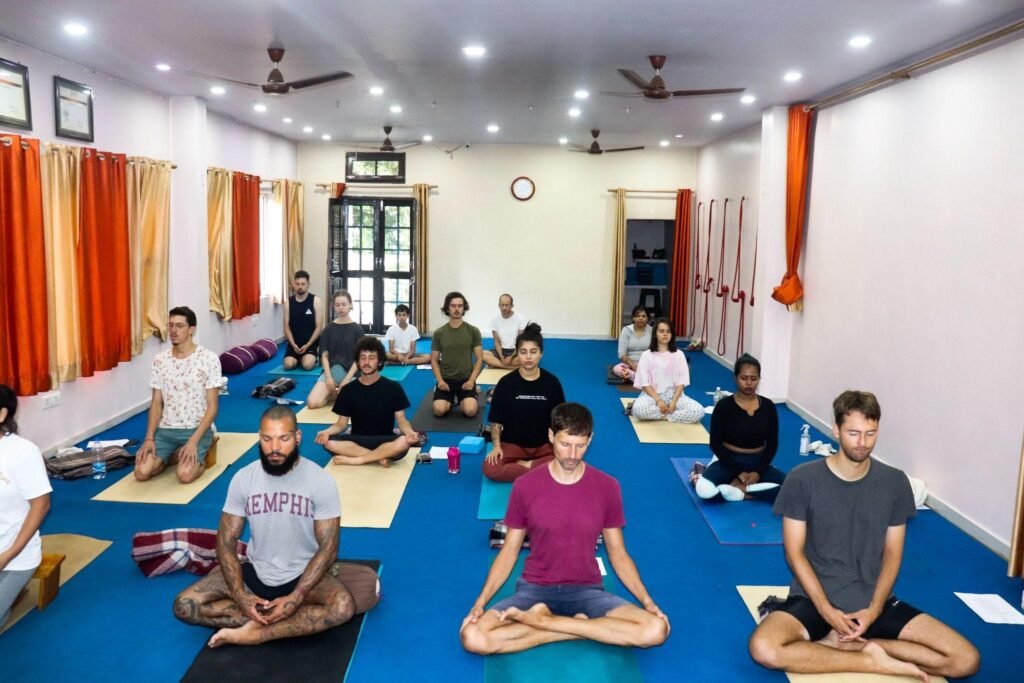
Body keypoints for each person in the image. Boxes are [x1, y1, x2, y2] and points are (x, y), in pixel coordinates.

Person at [748, 391, 980, 682]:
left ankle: (861, 647)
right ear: (836, 430)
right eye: (854, 433)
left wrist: (874, 609)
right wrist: (827, 611)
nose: (862, 443)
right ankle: (872, 661)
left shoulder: (894, 482)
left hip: (873, 604)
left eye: (871, 433)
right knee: (764, 648)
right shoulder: (802, 479)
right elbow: (794, 553)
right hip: (815, 601)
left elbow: (893, 553)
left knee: (965, 660)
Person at [461, 402, 669, 654]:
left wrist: (648, 602)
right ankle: (574, 629)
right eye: (564, 444)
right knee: (474, 637)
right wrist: (480, 602)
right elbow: (509, 552)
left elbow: (618, 553)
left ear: (590, 439)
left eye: (580, 446)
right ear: (550, 436)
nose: (572, 454)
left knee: (655, 630)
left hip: (587, 590)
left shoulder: (607, 487)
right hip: (535, 588)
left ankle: (547, 623)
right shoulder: (525, 486)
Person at [172, 405, 355, 647]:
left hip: (301, 575)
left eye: (284, 438)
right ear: (259, 437)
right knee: (184, 606)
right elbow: (225, 542)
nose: (275, 448)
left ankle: (257, 633)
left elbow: (329, 549)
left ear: (298, 437)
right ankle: (264, 619)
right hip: (256, 572)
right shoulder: (243, 478)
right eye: (267, 439)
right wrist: (240, 595)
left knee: (343, 606)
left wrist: (296, 597)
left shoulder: (320, 481)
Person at [135, 306, 221, 484]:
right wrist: (149, 438)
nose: (173, 331)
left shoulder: (209, 359)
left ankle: (201, 453)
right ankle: (171, 455)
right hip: (167, 430)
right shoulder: (160, 360)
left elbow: (213, 406)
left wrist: (193, 441)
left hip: (197, 428)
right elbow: (156, 403)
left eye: (180, 326)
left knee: (185, 475)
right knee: (141, 473)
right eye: (171, 325)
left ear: (191, 330)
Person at [314, 337, 424, 467]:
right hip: (357, 439)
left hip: (385, 439)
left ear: (379, 362)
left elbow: (402, 421)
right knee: (328, 442)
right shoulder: (348, 390)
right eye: (363, 358)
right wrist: (326, 432)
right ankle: (379, 457)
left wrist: (409, 432)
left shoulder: (393, 388)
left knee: (403, 442)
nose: (366, 362)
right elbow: (341, 425)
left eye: (371, 358)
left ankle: (359, 459)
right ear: (358, 362)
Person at [694, 354, 785, 502]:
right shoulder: (724, 406)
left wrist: (758, 472)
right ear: (735, 378)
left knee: (792, 487)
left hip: (758, 460)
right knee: (704, 491)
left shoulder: (768, 406)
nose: (749, 383)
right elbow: (715, 444)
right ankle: (748, 491)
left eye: (754, 378)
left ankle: (742, 491)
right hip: (728, 460)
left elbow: (772, 444)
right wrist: (739, 472)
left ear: (759, 379)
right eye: (744, 378)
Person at [483, 324, 565, 482]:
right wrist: (497, 446)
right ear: (517, 355)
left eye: (533, 352)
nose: (528, 357)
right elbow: (496, 421)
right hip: (514, 444)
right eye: (523, 352)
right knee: (490, 468)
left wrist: (559, 445)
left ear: (541, 354)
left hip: (544, 445)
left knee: (568, 459)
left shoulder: (552, 383)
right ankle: (541, 471)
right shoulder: (506, 384)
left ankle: (526, 467)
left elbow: (560, 421)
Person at [0, 385, 52, 628]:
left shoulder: (22, 452)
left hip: (14, 556)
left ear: (2, 415)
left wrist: (8, 554)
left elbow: (41, 504)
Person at [629, 317, 703, 424]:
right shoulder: (646, 355)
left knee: (698, 411)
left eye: (668, 332)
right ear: (655, 334)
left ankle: (665, 415)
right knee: (638, 409)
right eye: (661, 331)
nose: (665, 334)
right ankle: (672, 414)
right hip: (651, 395)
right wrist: (658, 401)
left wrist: (673, 401)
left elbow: (681, 382)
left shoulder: (679, 354)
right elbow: (644, 384)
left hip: (674, 395)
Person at [306, 290, 364, 409]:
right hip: (331, 372)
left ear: (350, 305)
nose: (341, 308)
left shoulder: (357, 329)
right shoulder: (328, 329)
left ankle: (338, 395)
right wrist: (328, 378)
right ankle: (333, 395)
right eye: (337, 305)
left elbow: (360, 358)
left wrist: (347, 379)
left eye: (344, 304)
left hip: (351, 373)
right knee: (312, 403)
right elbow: (324, 355)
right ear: (334, 307)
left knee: (353, 406)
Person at [431, 291, 483, 418]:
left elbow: (479, 358)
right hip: (446, 381)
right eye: (453, 306)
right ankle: (450, 400)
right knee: (439, 411)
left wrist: (471, 381)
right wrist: (440, 381)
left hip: (466, 380)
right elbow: (434, 360)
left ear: (464, 308)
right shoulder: (439, 333)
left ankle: (465, 398)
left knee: (470, 411)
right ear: (447, 308)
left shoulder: (473, 331)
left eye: (460, 306)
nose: (456, 309)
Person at [282, 270, 324, 371]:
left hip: (310, 344)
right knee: (288, 365)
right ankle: (298, 358)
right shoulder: (288, 302)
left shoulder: (316, 301)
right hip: (294, 344)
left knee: (307, 366)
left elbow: (319, 327)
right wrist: (293, 344)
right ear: (294, 284)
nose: (300, 286)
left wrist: (308, 344)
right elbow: (286, 326)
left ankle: (311, 358)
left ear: (308, 284)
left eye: (303, 284)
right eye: (297, 284)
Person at [482, 294, 527, 369]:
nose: (504, 308)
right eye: (502, 305)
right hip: (501, 351)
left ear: (512, 306)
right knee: (481, 354)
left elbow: (520, 343)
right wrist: (500, 356)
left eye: (507, 305)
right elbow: (496, 342)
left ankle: (499, 364)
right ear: (499, 305)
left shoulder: (520, 319)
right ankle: (509, 367)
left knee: (525, 357)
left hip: (515, 351)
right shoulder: (494, 320)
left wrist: (511, 357)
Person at [612, 306, 651, 381]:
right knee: (616, 369)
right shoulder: (626, 330)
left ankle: (633, 377)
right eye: (637, 316)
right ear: (633, 318)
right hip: (629, 364)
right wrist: (634, 366)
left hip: (646, 364)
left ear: (648, 318)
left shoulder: (652, 331)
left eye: (643, 316)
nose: (640, 318)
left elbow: (654, 352)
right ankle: (640, 378)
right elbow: (621, 354)